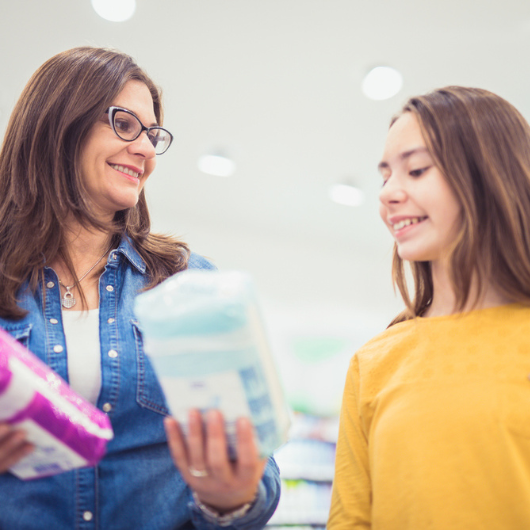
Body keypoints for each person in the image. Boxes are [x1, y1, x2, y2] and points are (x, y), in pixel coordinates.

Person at [0, 46, 280, 529]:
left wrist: (231, 498)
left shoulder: (188, 284)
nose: (147, 150)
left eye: (152, 135)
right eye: (125, 125)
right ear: (59, 124)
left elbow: (262, 469)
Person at [328, 86, 530, 529]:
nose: (387, 193)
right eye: (385, 176)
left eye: (416, 170)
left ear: (489, 176)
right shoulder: (374, 362)